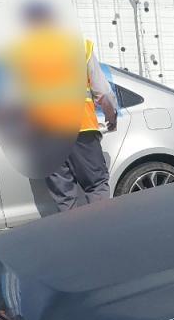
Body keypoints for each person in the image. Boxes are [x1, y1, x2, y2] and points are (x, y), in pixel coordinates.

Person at [43, 37, 118, 211]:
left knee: (65, 197)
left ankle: (74, 228)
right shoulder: (81, 47)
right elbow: (103, 92)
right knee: (96, 186)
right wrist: (111, 116)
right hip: (81, 128)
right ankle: (103, 226)